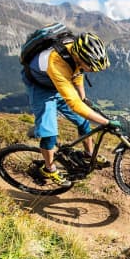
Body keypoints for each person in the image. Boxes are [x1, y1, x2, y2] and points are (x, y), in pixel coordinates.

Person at [23, 32, 119, 186]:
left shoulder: (76, 54)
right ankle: (49, 169)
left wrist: (83, 97)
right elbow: (74, 104)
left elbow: (77, 72)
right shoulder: (56, 61)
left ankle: (89, 155)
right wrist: (105, 122)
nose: (93, 71)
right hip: (41, 89)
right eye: (91, 67)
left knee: (83, 122)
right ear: (80, 57)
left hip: (59, 83)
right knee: (50, 134)